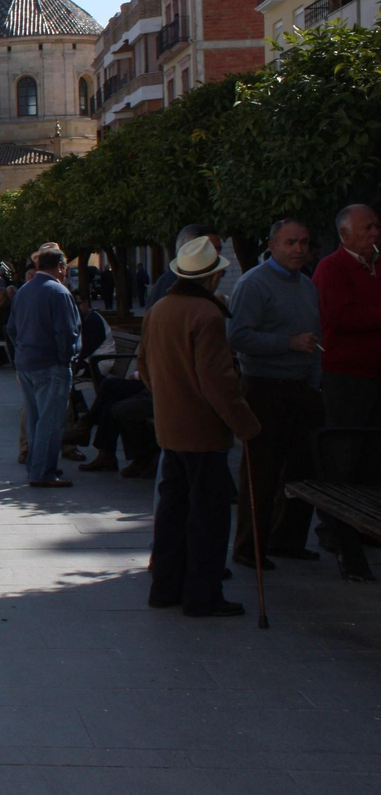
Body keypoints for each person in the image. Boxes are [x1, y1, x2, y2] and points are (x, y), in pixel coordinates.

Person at [139, 237, 261, 616]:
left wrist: (169, 397)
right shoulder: (206, 316)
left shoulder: (160, 308)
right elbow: (218, 382)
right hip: (203, 432)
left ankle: (165, 587)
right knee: (207, 516)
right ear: (212, 278)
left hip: (170, 427)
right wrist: (247, 426)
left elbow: (144, 366)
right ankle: (201, 595)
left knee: (172, 511)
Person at [227, 218, 324, 573]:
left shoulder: (306, 284)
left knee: (303, 469)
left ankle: (289, 540)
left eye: (304, 242)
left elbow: (315, 335)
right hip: (264, 386)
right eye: (290, 243)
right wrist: (287, 343)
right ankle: (250, 547)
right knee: (262, 472)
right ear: (273, 245)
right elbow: (237, 337)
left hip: (302, 387)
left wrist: (314, 377)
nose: (298, 249)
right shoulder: (253, 283)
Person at [310, 204, 381, 581]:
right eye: (367, 227)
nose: (375, 233)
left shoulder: (376, 264)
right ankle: (337, 532)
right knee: (344, 456)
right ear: (345, 234)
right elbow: (341, 316)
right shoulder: (332, 268)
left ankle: (365, 526)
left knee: (372, 456)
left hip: (375, 375)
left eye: (376, 226)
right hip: (346, 377)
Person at [7, 247, 80, 488]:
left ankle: (37, 466)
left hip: (27, 363)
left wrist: (23, 350)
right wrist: (65, 358)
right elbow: (67, 333)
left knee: (35, 419)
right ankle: (42, 472)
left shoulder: (24, 290)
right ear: (60, 267)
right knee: (50, 421)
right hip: (50, 365)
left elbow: (11, 328)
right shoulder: (59, 292)